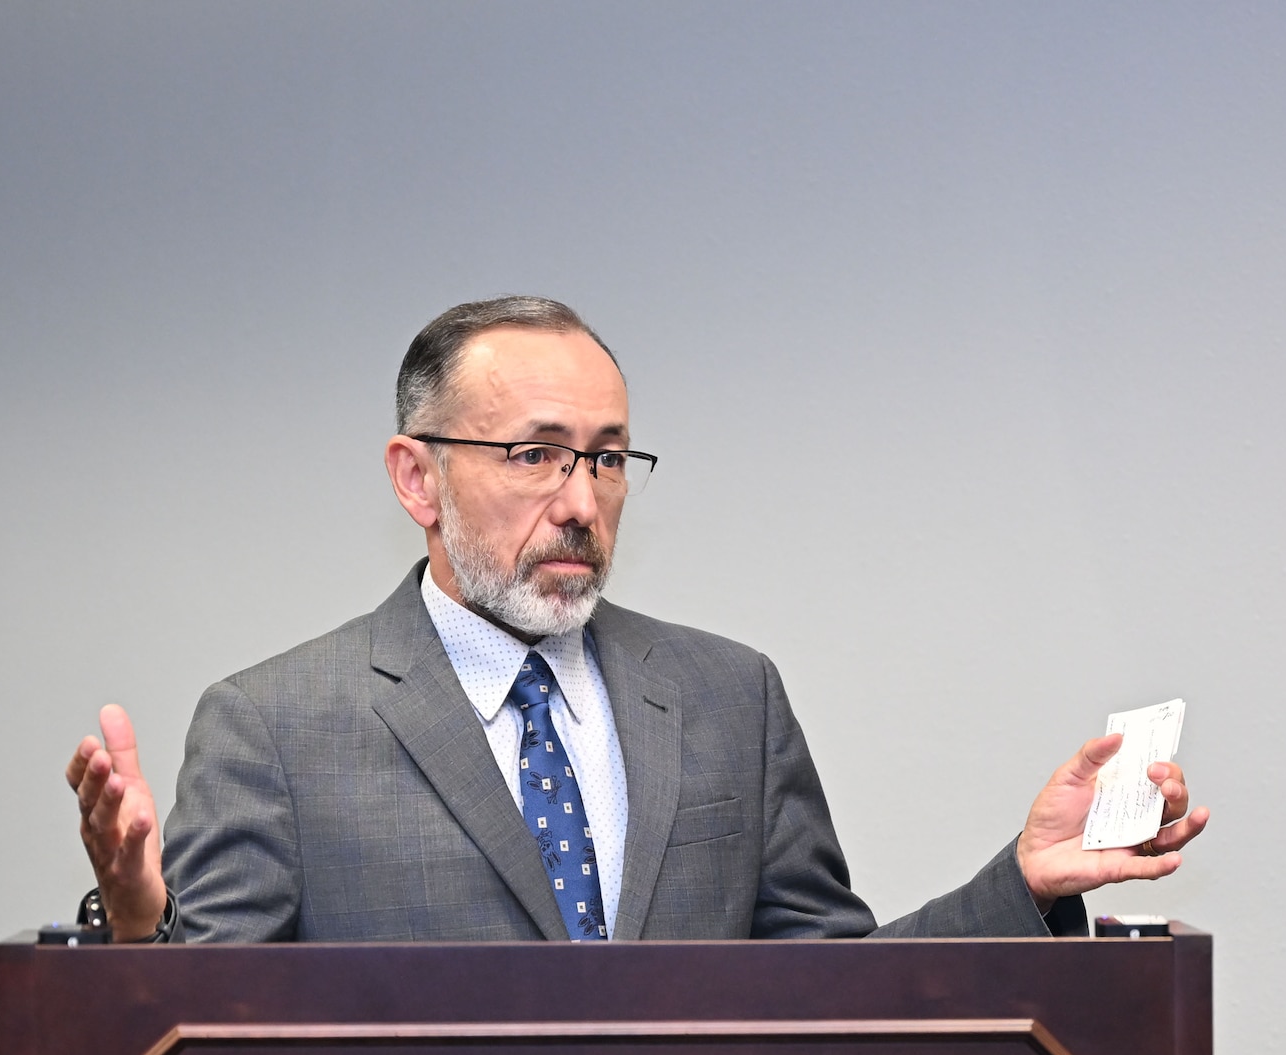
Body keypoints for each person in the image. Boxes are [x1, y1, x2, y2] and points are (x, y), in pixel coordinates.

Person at [65, 297, 1209, 942]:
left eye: (608, 459)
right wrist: (135, 918)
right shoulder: (274, 725)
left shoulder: (725, 695)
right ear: (416, 479)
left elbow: (830, 995)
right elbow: (202, 1049)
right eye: (537, 455)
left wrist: (1023, 881)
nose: (581, 500)